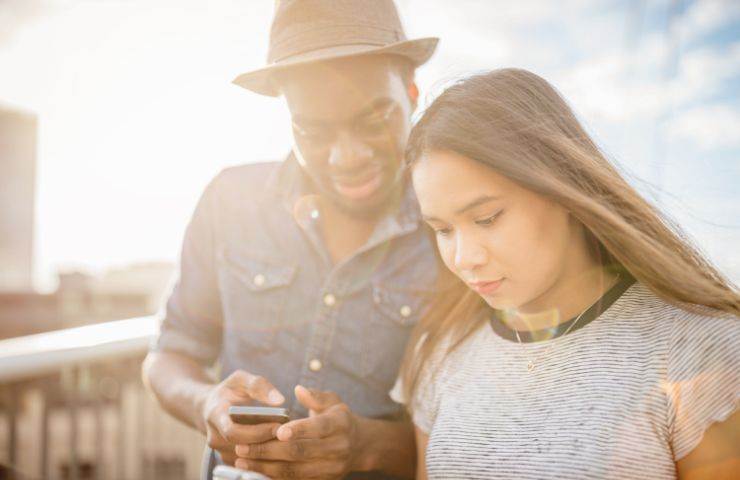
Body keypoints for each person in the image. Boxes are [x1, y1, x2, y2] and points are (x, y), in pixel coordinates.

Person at [392, 68, 740, 479]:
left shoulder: (699, 348)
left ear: (561, 187)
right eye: (443, 230)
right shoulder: (441, 349)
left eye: (487, 218)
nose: (465, 258)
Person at [141, 1, 439, 479]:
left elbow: (465, 427)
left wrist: (366, 447)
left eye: (373, 119)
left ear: (412, 93)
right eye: (313, 131)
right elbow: (169, 356)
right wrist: (206, 405)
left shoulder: (451, 231)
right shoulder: (229, 200)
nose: (347, 157)